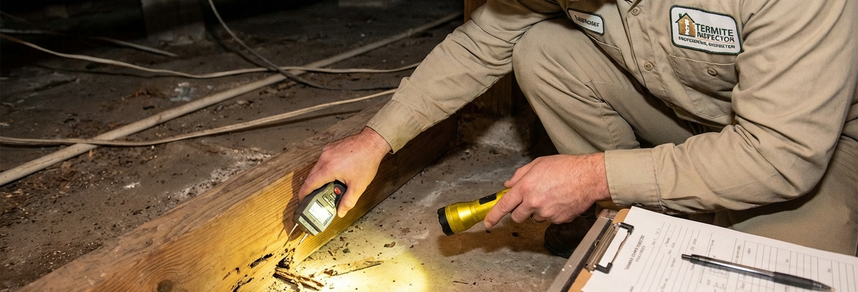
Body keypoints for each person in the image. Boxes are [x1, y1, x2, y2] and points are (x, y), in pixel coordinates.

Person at [299, 0, 858, 255]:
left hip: (818, 147)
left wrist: (594, 177)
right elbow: (481, 41)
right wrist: (375, 140)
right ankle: (639, 224)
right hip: (699, 118)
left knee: (755, 273)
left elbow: (780, 157)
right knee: (541, 47)